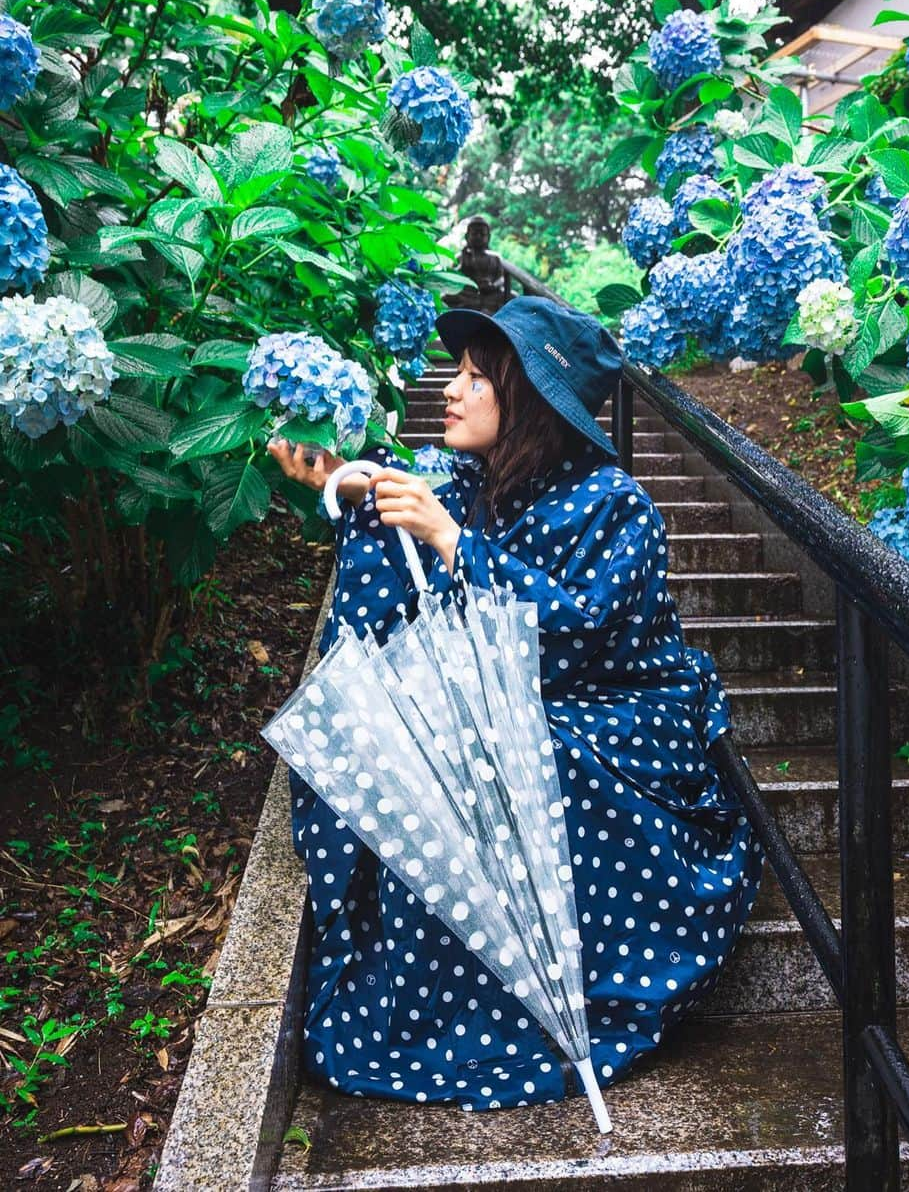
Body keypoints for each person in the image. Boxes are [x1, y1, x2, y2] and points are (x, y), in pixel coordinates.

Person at [267, 297, 762, 1113]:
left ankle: (540, 1006)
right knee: (413, 753)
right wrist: (348, 482)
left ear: (529, 398)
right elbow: (385, 484)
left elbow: (578, 637)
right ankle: (429, 1004)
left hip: (618, 708)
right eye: (454, 374)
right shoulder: (466, 481)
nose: (451, 392)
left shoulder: (617, 505)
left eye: (475, 378)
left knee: (526, 757)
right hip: (505, 705)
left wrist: (455, 544)